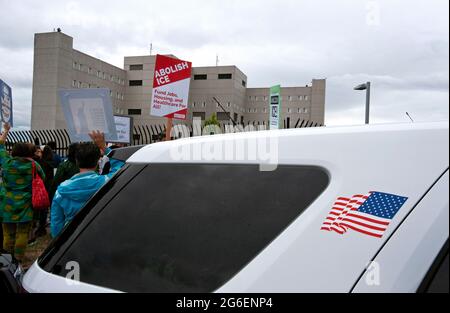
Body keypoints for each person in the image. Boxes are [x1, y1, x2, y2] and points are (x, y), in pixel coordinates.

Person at [50, 131, 124, 237]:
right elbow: (120, 165)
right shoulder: (107, 182)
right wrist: (104, 147)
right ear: (98, 160)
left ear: (76, 160)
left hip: (72, 239)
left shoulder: (61, 191)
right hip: (100, 235)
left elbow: (56, 224)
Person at [0, 123, 45, 262]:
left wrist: (6, 131)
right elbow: (42, 178)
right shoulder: (33, 165)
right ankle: (19, 257)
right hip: (26, 202)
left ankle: (7, 258)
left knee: (8, 233)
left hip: (6, 201)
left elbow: (0, 145)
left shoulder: (6, 162)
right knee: (23, 232)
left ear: (13, 151)